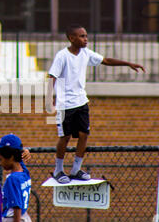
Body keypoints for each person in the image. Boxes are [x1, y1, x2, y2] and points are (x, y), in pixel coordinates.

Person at [48, 25, 146, 183]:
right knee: (65, 137)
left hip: (81, 101)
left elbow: (105, 60)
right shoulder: (62, 56)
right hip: (65, 104)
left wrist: (128, 63)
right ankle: (58, 170)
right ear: (72, 38)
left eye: (86, 36)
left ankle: (75, 169)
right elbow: (52, 76)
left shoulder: (86, 53)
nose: (85, 39)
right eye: (81, 36)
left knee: (83, 135)